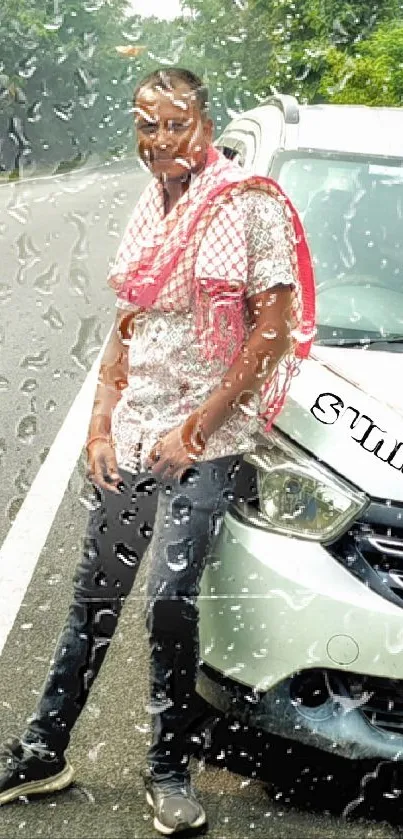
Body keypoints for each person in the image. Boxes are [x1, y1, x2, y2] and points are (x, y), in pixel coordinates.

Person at [0, 68, 315, 835]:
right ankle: (45, 748)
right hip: (138, 431)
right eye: (147, 125)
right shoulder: (152, 202)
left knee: (170, 601)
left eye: (176, 124)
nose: (160, 141)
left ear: (205, 125)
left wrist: (198, 428)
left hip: (210, 440)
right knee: (92, 598)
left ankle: (168, 766)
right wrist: (101, 423)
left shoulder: (246, 203)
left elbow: (271, 332)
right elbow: (129, 320)